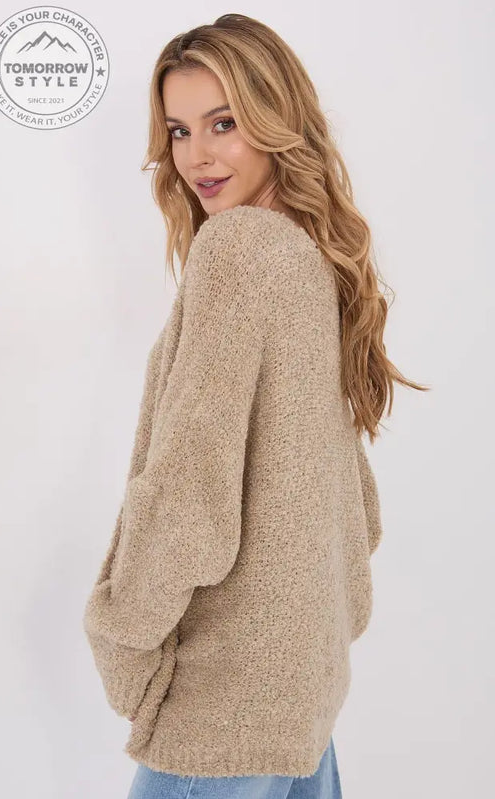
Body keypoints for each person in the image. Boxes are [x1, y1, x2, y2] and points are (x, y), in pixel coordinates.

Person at [83, 13, 429, 799]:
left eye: (224, 123)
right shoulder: (306, 253)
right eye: (178, 131)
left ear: (277, 120)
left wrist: (120, 633)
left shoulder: (239, 249)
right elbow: (354, 502)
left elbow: (189, 494)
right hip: (299, 689)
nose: (196, 156)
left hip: (226, 702)